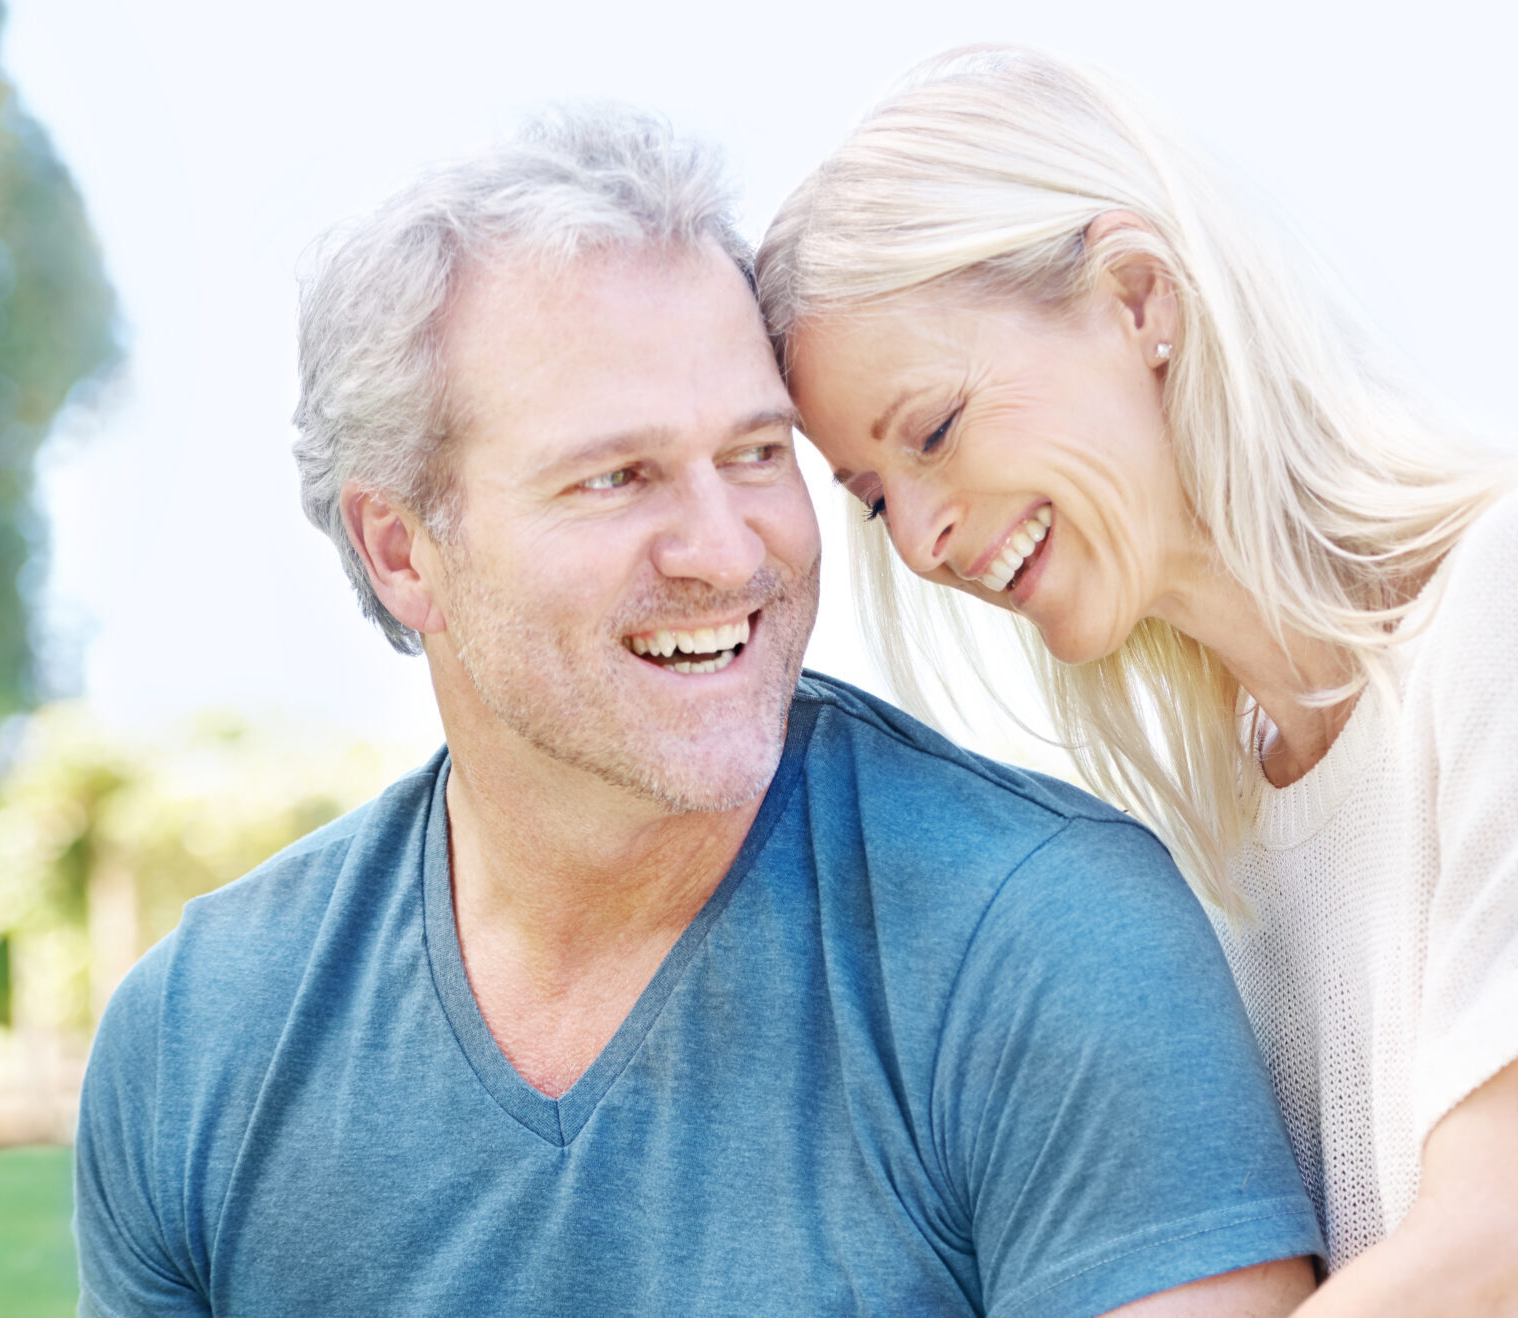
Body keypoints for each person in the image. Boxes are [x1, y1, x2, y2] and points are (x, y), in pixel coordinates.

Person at [763, 46, 1518, 1316]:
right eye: (872, 502)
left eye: (930, 432)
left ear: (1139, 298)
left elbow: (1515, 1262)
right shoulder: (1227, 855)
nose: (921, 540)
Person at [71, 104, 1323, 1318]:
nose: (727, 553)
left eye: (757, 454)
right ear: (401, 549)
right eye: (615, 476)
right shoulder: (198, 1045)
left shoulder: (1047, 940)